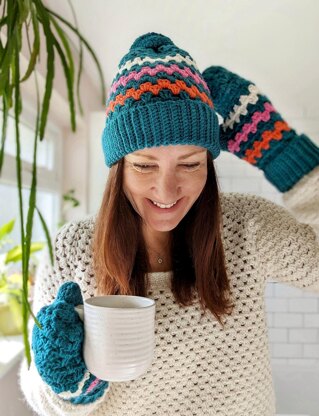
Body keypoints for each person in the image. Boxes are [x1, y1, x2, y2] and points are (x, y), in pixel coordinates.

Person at [19, 32, 319, 416]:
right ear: (119, 169)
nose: (167, 189)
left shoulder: (249, 228)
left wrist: (283, 155)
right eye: (144, 165)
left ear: (209, 165)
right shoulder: (71, 249)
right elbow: (45, 399)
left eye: (190, 164)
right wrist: (70, 385)